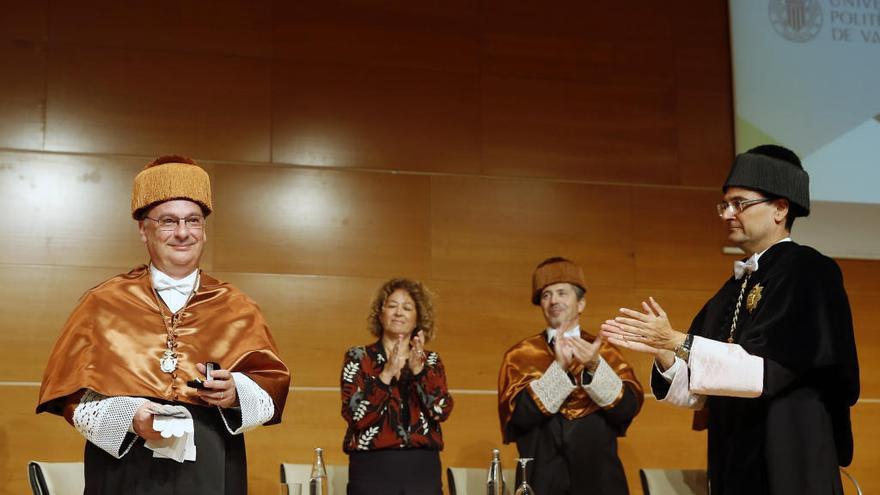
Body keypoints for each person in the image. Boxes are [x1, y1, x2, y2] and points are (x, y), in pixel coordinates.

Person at [601, 145, 860, 494]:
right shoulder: (732, 288)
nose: (726, 215)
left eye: (739, 204)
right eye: (724, 205)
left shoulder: (809, 271)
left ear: (780, 209)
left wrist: (677, 341)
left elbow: (767, 371)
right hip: (733, 455)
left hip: (790, 451)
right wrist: (662, 351)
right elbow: (699, 394)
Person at [36, 155, 290, 494]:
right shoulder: (102, 302)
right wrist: (130, 416)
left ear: (204, 229)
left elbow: (270, 387)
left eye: (193, 221)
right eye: (169, 221)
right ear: (144, 228)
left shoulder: (237, 306)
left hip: (210, 469)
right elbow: (71, 396)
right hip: (124, 470)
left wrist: (235, 394)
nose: (183, 233)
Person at [497, 257, 643, 494]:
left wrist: (595, 366)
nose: (553, 300)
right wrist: (559, 369)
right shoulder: (520, 356)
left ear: (581, 303)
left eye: (562, 293)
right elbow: (519, 418)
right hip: (542, 481)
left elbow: (627, 408)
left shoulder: (605, 352)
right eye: (546, 295)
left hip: (600, 481)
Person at [340, 278, 453, 495]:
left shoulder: (431, 361)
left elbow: (441, 410)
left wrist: (419, 372)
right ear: (380, 314)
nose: (399, 313)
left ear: (418, 317)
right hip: (372, 468)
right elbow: (355, 416)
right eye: (392, 306)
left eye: (407, 307)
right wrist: (385, 375)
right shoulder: (358, 357)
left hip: (422, 468)